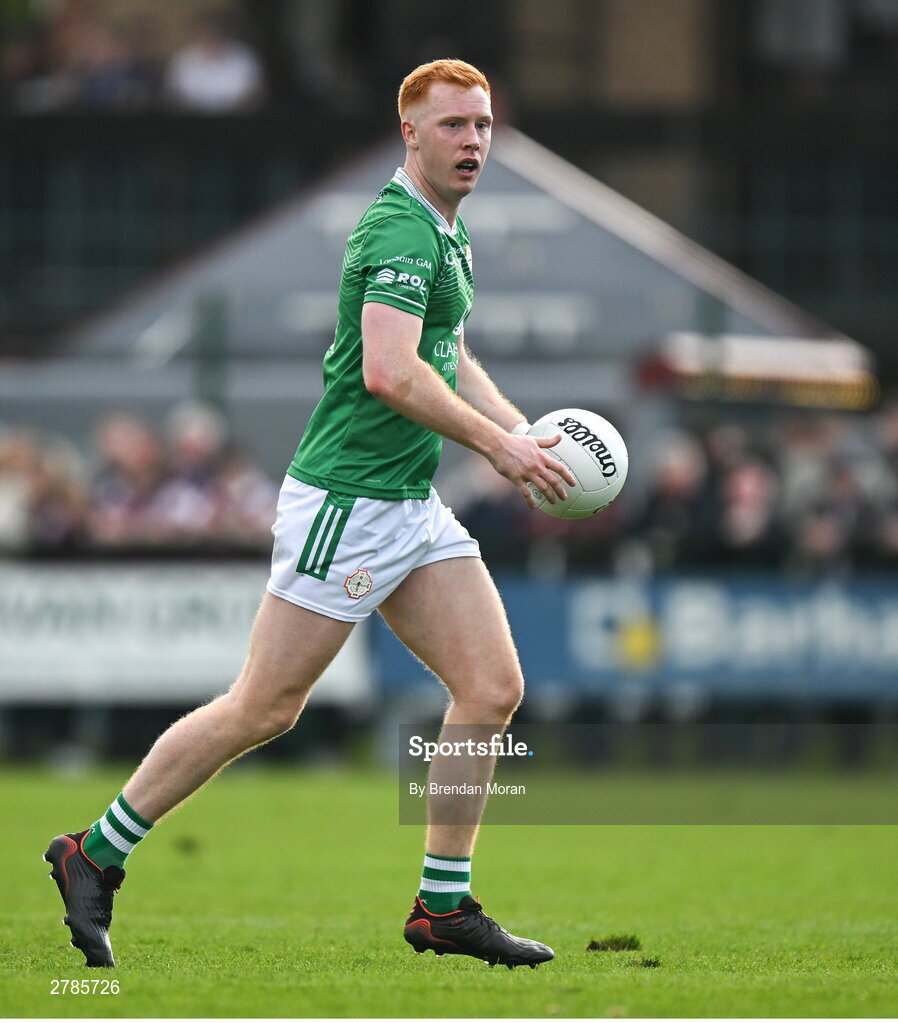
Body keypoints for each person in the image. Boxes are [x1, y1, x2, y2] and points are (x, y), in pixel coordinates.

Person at [44, 58, 574, 971]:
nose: (473, 142)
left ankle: (443, 908)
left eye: (483, 125)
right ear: (409, 132)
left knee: (490, 690)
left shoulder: (446, 229)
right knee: (266, 706)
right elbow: (390, 371)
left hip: (409, 503)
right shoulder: (400, 228)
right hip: (348, 504)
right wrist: (496, 447)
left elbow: (446, 348)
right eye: (453, 126)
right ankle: (94, 850)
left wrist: (521, 427)